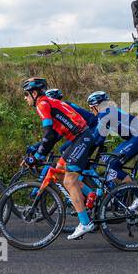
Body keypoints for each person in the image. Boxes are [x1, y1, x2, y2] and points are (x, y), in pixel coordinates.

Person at [21, 77, 102, 239]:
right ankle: (91, 194)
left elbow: (49, 135)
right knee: (58, 174)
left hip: (81, 139)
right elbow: (52, 136)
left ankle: (85, 223)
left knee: (69, 181)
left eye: (27, 94)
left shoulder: (42, 104)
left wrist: (37, 156)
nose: (25, 98)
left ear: (35, 93)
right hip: (79, 138)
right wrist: (39, 154)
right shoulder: (49, 101)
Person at [87, 90, 138, 205]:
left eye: (91, 108)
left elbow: (95, 137)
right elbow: (100, 139)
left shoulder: (103, 114)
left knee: (112, 166)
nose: (91, 112)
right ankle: (120, 193)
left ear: (97, 106)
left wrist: (84, 149)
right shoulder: (109, 111)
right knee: (110, 161)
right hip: (135, 137)